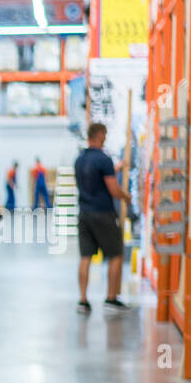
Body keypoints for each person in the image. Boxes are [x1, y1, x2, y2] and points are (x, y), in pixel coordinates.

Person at [74, 121, 132, 314]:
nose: (105, 139)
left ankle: (83, 300)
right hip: (103, 213)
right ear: (99, 135)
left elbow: (95, 178)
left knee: (85, 257)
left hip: (84, 213)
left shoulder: (80, 160)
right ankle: (111, 298)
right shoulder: (103, 159)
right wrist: (126, 197)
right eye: (105, 136)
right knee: (115, 255)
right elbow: (113, 189)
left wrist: (115, 169)